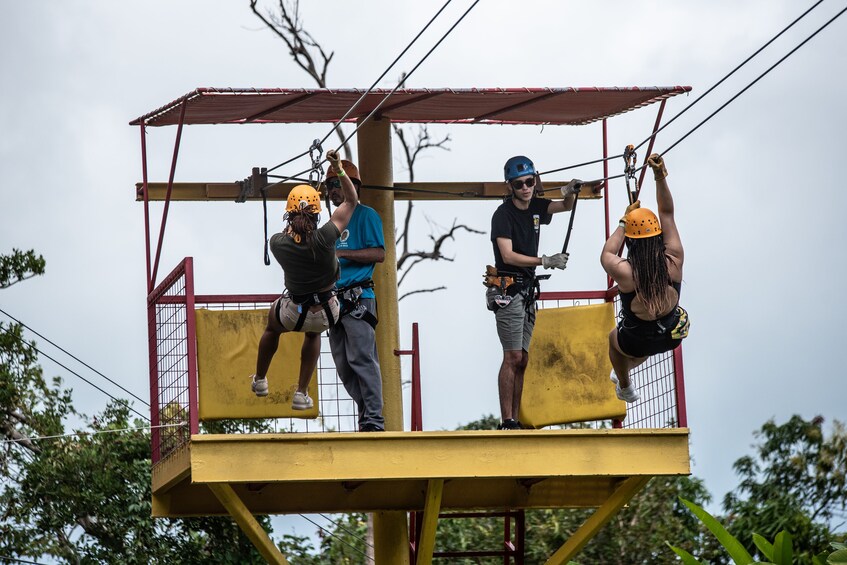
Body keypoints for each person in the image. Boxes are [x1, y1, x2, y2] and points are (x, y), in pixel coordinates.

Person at [250, 149, 358, 410]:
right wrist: (339, 168)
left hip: (292, 311)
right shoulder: (326, 237)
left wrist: (292, 226)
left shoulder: (277, 243)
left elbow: (288, 234)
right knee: (313, 334)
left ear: (288, 214)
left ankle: (261, 379)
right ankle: (301, 393)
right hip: (327, 312)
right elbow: (351, 201)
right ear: (317, 213)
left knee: (272, 327)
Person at [486, 155, 581, 430]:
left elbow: (564, 206)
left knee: (523, 358)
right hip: (507, 287)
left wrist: (570, 191)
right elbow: (508, 255)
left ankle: (515, 418)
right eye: (519, 184)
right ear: (510, 187)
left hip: (526, 291)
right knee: (512, 356)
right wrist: (545, 261)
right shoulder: (502, 215)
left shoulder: (537, 206)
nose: (526, 188)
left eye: (530, 181)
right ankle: (507, 421)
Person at [600, 153, 690, 403]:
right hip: (671, 336)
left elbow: (607, 253)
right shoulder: (674, 259)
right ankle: (623, 373)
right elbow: (667, 213)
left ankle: (626, 387)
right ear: (658, 236)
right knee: (646, 337)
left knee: (615, 341)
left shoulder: (626, 273)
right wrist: (660, 176)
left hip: (636, 339)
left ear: (631, 242)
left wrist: (622, 221)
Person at [324, 160, 387, 432]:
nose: (333, 190)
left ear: (353, 186)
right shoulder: (331, 223)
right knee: (344, 367)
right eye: (329, 186)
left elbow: (378, 254)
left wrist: (342, 253)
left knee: (362, 359)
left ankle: (374, 421)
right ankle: (366, 417)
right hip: (334, 300)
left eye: (338, 184)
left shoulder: (366, 215)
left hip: (359, 297)